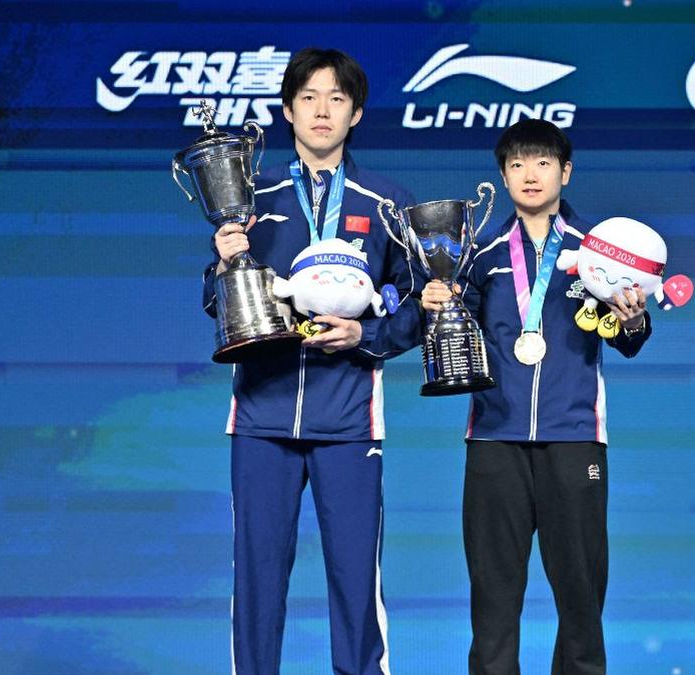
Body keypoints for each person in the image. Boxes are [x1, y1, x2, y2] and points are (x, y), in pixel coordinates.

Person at [203, 47, 420, 674]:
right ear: (287, 110)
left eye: (336, 99)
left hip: (349, 420)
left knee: (356, 581)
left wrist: (365, 335)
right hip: (262, 415)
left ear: (356, 113)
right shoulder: (248, 195)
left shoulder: (387, 202)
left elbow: (417, 304)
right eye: (308, 98)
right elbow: (212, 299)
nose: (322, 111)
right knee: (257, 579)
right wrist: (224, 263)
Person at [421, 119, 652, 674]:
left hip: (574, 438)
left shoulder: (600, 249)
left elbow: (629, 339)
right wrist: (437, 302)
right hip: (494, 439)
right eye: (518, 163)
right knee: (493, 596)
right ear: (503, 176)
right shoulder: (479, 251)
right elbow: (453, 331)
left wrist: (632, 320)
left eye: (544, 162)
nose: (531, 174)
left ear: (565, 172)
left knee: (581, 596)